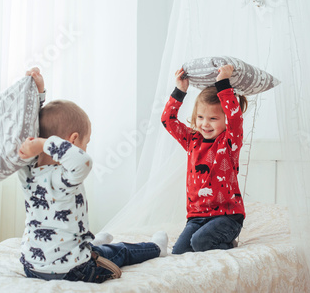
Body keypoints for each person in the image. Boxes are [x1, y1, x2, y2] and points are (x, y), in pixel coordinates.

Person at [18, 68, 168, 283]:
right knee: (120, 251)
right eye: (85, 144)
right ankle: (157, 248)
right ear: (72, 141)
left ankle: (92, 244)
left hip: (32, 267)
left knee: (89, 243)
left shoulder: (28, 174)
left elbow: (33, 127)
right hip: (73, 270)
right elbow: (83, 161)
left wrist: (39, 95)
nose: (85, 149)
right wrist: (43, 143)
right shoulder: (64, 177)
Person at [161, 64, 248, 254]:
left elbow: (236, 119)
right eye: (200, 117)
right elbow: (168, 120)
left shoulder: (229, 143)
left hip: (227, 217)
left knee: (199, 243)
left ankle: (228, 244)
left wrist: (223, 83)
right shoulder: (192, 140)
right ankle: (213, 242)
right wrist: (180, 91)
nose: (204, 124)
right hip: (196, 217)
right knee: (178, 253)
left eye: (213, 119)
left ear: (225, 120)